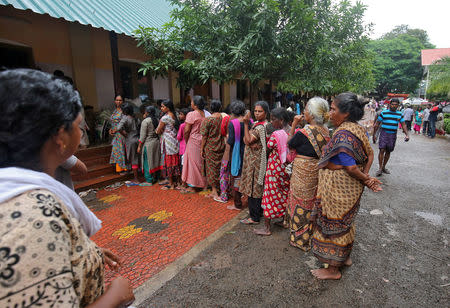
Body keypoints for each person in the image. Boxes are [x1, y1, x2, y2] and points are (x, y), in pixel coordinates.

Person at [0, 69, 134, 307]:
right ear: (60, 136)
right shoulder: (34, 220)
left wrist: (85, 253)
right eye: (78, 125)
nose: (81, 134)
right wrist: (116, 296)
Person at [311, 92, 382, 280]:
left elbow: (350, 167)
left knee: (335, 225)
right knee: (347, 222)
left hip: (338, 189)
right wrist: (365, 178)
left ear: (346, 114)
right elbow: (370, 155)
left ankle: (333, 269)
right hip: (350, 189)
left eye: (333, 109)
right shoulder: (357, 129)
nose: (330, 113)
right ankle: (345, 257)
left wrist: (365, 179)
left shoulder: (343, 134)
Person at [286, 97, 330, 251]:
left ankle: (299, 239)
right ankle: (309, 236)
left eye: (305, 110)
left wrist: (293, 126)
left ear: (311, 114)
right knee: (310, 203)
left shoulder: (305, 131)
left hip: (302, 171)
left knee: (300, 202)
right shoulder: (326, 132)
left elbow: (290, 144)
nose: (303, 112)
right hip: (317, 171)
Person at [254, 107, 291, 236]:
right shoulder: (292, 131)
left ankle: (267, 228)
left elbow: (268, 148)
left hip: (274, 170)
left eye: (273, 120)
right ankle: (283, 220)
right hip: (286, 169)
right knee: (284, 194)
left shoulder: (276, 134)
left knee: (269, 196)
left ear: (281, 120)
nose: (271, 122)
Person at [239, 101, 270, 225]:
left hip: (255, 163)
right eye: (255, 111)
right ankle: (258, 213)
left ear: (266, 113)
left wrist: (246, 125)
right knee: (256, 187)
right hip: (254, 160)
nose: (257, 113)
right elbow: (246, 139)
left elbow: (246, 140)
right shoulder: (258, 124)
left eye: (260, 111)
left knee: (254, 188)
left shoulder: (260, 127)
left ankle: (254, 217)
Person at [373, 98, 409, 176]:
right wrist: (374, 135)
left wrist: (407, 135)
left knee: (388, 151)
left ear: (398, 106)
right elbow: (377, 124)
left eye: (395, 105)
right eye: (392, 104)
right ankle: (379, 168)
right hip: (384, 133)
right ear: (390, 104)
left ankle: (383, 167)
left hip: (392, 134)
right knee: (382, 149)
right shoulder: (384, 113)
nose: (394, 106)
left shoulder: (399, 114)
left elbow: (403, 125)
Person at [182, 95, 207, 193]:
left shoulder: (192, 114)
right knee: (199, 163)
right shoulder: (204, 113)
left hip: (193, 139)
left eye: (192, 102)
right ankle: (201, 183)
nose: (190, 103)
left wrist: (187, 140)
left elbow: (187, 130)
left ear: (195, 105)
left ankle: (193, 186)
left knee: (192, 163)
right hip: (202, 139)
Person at [200, 100, 225, 198]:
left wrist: (201, 149)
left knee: (211, 169)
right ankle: (221, 188)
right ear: (220, 107)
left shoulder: (207, 120)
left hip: (210, 147)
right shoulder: (224, 118)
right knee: (220, 167)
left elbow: (204, 136)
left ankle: (214, 190)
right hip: (222, 145)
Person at [226, 100, 247, 210]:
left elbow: (231, 140)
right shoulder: (249, 121)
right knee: (245, 175)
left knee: (236, 176)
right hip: (247, 152)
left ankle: (237, 204)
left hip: (236, 153)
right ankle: (247, 199)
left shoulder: (233, 123)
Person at [156, 99, 181, 190]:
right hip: (174, 141)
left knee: (169, 163)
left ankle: (171, 184)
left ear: (168, 107)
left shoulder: (165, 118)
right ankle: (178, 181)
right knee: (176, 161)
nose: (161, 108)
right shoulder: (176, 115)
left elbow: (158, 130)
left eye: (163, 106)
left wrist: (160, 130)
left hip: (167, 142)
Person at [112, 102, 140, 183]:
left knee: (133, 159)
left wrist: (124, 134)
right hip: (137, 138)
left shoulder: (125, 118)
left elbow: (118, 128)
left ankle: (136, 179)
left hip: (130, 139)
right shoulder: (135, 118)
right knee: (137, 157)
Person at [138, 106, 162, 184]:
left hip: (148, 144)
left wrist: (139, 146)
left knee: (147, 162)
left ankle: (149, 180)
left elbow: (142, 136)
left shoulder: (145, 121)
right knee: (155, 161)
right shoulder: (157, 119)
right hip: (156, 142)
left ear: (147, 112)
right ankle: (155, 177)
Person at [109, 95, 127, 174]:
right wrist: (111, 130)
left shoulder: (124, 111)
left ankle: (124, 169)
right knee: (117, 151)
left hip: (121, 133)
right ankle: (119, 169)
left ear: (123, 101)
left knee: (121, 151)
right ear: (114, 101)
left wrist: (117, 130)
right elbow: (112, 123)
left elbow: (125, 123)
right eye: (117, 100)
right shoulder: (115, 111)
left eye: (120, 100)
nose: (118, 102)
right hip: (115, 134)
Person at [177, 108, 190, 190]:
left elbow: (179, 137)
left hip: (183, 147)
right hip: (189, 147)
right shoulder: (191, 124)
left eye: (181, 114)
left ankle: (183, 183)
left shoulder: (182, 125)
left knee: (183, 166)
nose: (179, 116)